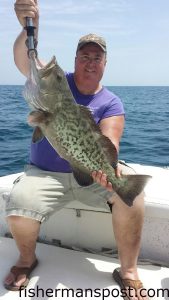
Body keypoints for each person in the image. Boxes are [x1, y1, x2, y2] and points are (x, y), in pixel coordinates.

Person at [4, 1, 148, 299]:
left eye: (97, 57)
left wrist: (111, 169)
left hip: (90, 174)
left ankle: (129, 272)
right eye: (85, 56)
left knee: (132, 198)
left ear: (105, 64)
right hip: (45, 175)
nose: (91, 61)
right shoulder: (57, 86)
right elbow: (25, 61)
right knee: (19, 205)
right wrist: (29, 27)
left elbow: (111, 139)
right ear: (76, 59)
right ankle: (27, 260)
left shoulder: (112, 102)